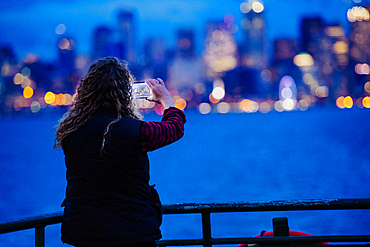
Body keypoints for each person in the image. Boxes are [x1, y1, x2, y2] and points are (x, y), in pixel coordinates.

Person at [54, 57, 186, 247]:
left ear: (85, 92)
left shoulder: (70, 132)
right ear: (125, 94)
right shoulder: (136, 131)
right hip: (134, 233)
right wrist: (165, 98)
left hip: (85, 234)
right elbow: (174, 128)